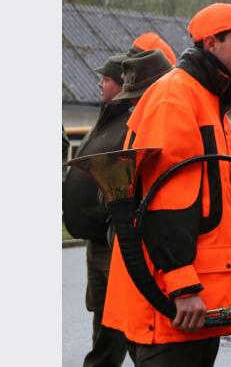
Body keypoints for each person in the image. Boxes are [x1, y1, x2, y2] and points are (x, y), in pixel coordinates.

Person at [102, 3, 231, 366]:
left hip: (186, 306)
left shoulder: (205, 98)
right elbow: (166, 199)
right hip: (172, 305)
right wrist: (182, 285)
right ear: (212, 43)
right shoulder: (177, 97)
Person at [63, 33, 175, 367]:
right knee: (105, 321)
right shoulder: (110, 114)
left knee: (124, 326)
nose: (101, 83)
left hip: (117, 239)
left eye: (107, 79)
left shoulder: (136, 118)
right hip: (99, 239)